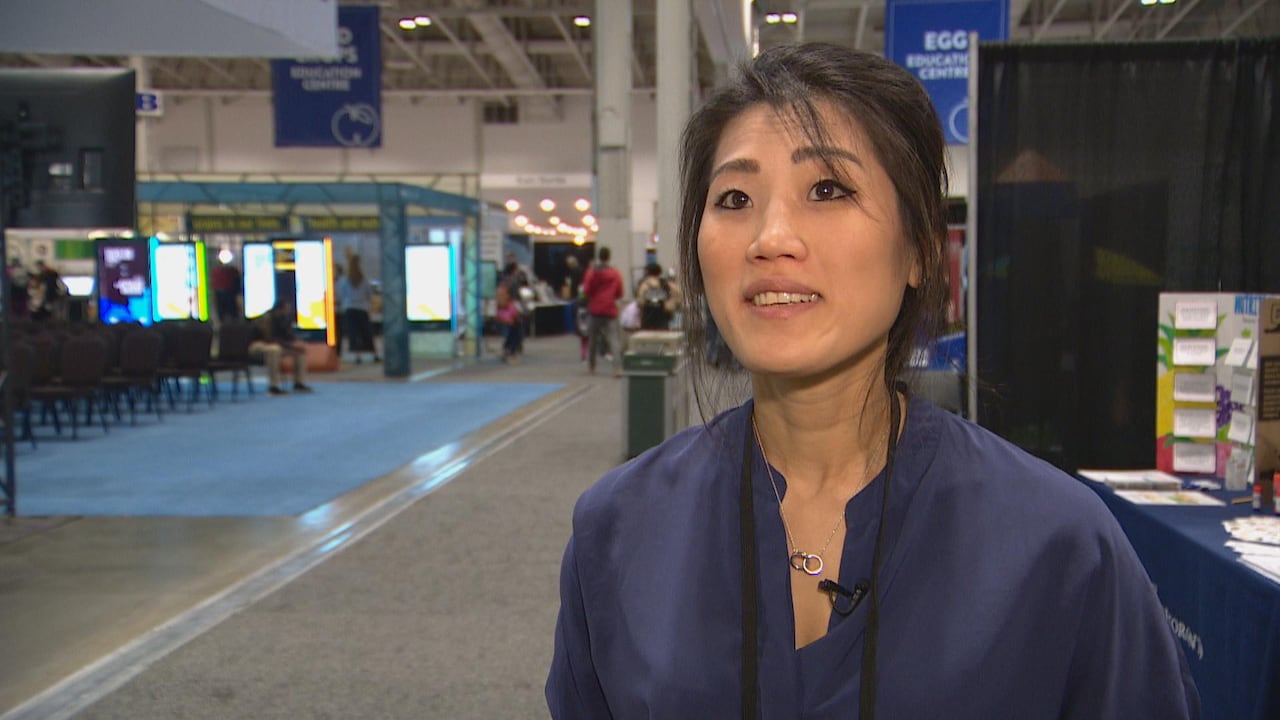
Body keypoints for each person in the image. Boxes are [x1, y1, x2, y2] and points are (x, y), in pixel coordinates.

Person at [546, 43, 1200, 718]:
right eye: (734, 197)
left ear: (919, 248)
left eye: (828, 189)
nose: (770, 237)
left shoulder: (1059, 546)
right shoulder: (617, 530)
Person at [249, 299, 313, 395]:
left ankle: (299, 383)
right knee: (274, 350)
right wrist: (288, 345)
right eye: (287, 309)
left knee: (300, 352)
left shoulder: (284, 319)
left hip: (277, 344)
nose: (288, 311)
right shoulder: (267, 318)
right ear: (280, 309)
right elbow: (268, 338)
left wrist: (296, 344)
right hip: (258, 344)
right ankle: (274, 386)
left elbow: (288, 336)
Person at [581, 245, 623, 377]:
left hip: (595, 309)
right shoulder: (615, 273)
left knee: (593, 339)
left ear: (599, 257)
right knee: (614, 340)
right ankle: (617, 368)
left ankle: (592, 367)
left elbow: (586, 291)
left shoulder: (592, 272)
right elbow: (620, 292)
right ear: (609, 257)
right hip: (610, 309)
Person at [340, 255, 379, 364]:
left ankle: (358, 356)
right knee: (366, 332)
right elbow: (370, 294)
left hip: (350, 308)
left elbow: (342, 294)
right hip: (362, 308)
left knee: (354, 333)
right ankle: (374, 355)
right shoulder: (364, 279)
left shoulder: (345, 280)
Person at [634, 262, 678, 330]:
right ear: (659, 272)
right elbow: (676, 298)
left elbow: (640, 302)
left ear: (647, 272)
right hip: (663, 319)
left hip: (647, 319)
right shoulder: (667, 285)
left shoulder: (644, 285)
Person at [494, 282, 524, 364]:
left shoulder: (512, 305)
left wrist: (515, 317)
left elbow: (516, 314)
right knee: (513, 329)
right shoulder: (500, 307)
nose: (500, 297)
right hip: (503, 322)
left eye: (503, 295)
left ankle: (510, 350)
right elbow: (498, 316)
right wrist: (505, 319)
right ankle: (510, 351)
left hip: (512, 322)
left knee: (516, 328)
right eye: (499, 295)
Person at [211, 259, 241, 323]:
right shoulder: (216, 271)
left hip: (230, 294)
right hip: (220, 295)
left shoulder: (233, 271)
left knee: (232, 313)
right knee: (222, 313)